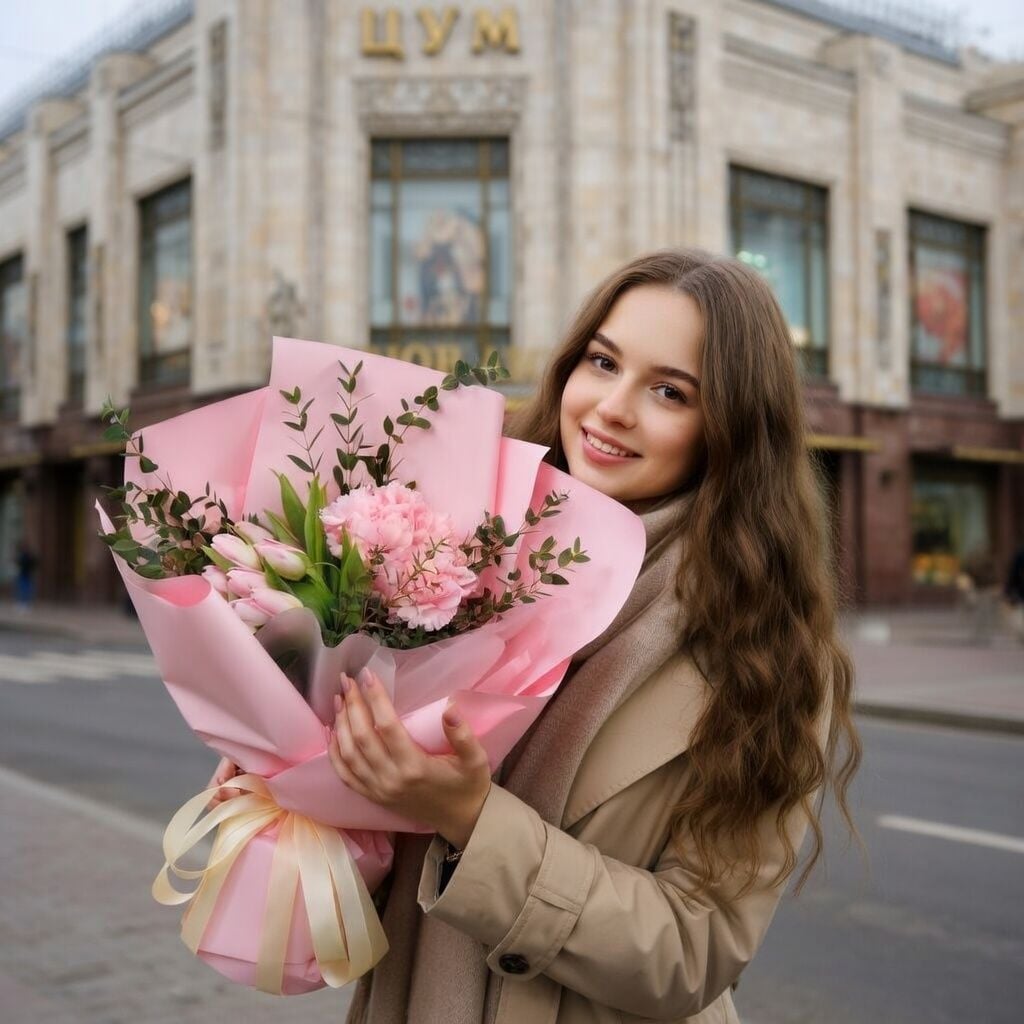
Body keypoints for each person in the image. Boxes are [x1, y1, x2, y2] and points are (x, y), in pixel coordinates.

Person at [210, 248, 862, 1023]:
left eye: (669, 391)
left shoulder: (764, 651)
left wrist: (471, 820)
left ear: (733, 429)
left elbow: (695, 949)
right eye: (602, 361)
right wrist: (308, 781)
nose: (612, 407)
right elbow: (384, 878)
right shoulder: (449, 551)